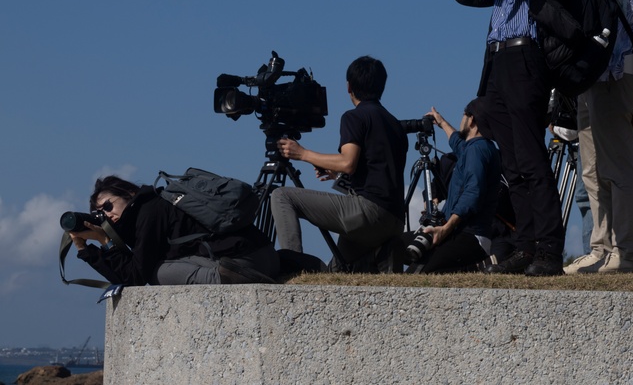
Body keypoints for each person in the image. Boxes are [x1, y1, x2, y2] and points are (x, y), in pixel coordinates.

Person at [449, 0, 569, 276]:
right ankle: (526, 246)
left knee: (532, 160)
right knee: (513, 165)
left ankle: (549, 249)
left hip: (525, 61)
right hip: (498, 64)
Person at [557, 0, 633, 275]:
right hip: (591, 77)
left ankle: (626, 251)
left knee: (618, 167)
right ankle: (600, 246)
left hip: (613, 74)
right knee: (590, 168)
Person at [270, 56, 407, 272]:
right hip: (395, 221)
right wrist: (337, 176)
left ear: (349, 86)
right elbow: (377, 172)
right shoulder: (395, 124)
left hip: (368, 214)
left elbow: (347, 162)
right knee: (337, 271)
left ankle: (293, 268)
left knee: (282, 196)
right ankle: (380, 253)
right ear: (382, 86)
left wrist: (302, 153)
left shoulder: (354, 117)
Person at [70, 176, 279, 285]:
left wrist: (104, 241)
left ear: (129, 193)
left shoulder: (149, 213)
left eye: (108, 206)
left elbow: (134, 277)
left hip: (247, 265)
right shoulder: (154, 204)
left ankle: (226, 281)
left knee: (156, 273)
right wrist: (85, 249)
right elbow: (128, 271)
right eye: (100, 214)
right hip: (265, 256)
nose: (108, 215)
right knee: (156, 266)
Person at [404, 101, 502, 273]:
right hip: (466, 233)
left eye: (464, 114)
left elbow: (472, 193)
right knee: (402, 249)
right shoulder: (478, 147)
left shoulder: (476, 151)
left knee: (419, 272)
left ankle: (473, 268)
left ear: (471, 120)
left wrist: (445, 229)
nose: (461, 119)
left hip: (470, 235)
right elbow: (457, 142)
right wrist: (441, 123)